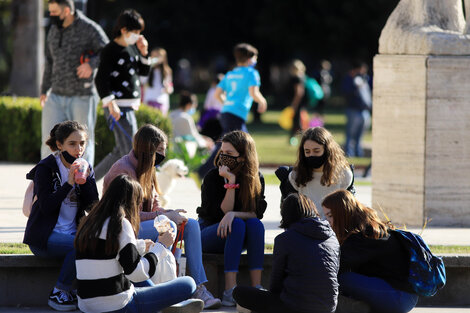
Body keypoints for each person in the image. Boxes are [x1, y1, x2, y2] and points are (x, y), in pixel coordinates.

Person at [103, 124, 221, 309]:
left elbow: (155, 203)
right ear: (146, 148)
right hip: (122, 230)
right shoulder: (123, 169)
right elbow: (127, 215)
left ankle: (199, 288)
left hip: (142, 225)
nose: (162, 156)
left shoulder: (148, 166)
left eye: (163, 151)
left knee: (190, 225)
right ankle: (167, 286)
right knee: (169, 225)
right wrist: (164, 217)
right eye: (158, 150)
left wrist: (169, 213)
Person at [74, 174, 203, 313]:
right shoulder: (120, 224)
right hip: (119, 306)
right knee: (188, 283)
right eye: (138, 203)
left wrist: (141, 245)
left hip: (86, 307)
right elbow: (136, 273)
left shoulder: (88, 223)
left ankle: (163, 305)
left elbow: (111, 250)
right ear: (131, 202)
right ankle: (165, 306)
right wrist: (161, 246)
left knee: (139, 284)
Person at [23, 121, 99, 311]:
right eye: (72, 144)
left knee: (98, 243)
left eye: (82, 143)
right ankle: (59, 292)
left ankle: (87, 293)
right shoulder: (45, 169)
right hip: (44, 237)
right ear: (59, 145)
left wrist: (87, 181)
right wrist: (68, 184)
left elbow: (93, 207)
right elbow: (46, 207)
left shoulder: (85, 166)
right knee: (80, 244)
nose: (78, 149)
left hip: (72, 233)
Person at [233, 193, 340, 313]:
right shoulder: (332, 237)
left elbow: (276, 284)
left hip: (294, 306)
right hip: (328, 307)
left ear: (287, 215)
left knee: (239, 292)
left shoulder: (284, 239)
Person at [197, 130, 267, 307]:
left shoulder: (255, 179)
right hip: (208, 234)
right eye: (222, 152)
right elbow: (221, 214)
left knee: (255, 225)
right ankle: (230, 290)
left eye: (229, 153)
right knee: (236, 224)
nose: (223, 156)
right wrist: (230, 183)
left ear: (243, 157)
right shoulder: (213, 177)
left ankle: (256, 287)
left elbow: (256, 213)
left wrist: (233, 214)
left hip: (236, 235)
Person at [321, 190, 419, 313]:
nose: (327, 221)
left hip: (399, 297)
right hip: (403, 295)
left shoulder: (363, 236)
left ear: (342, 213)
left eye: (330, 216)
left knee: (341, 278)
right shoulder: (369, 227)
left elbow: (336, 266)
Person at [40, 0, 109, 166]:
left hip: (83, 96)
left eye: (55, 12)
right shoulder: (54, 29)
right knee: (48, 142)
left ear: (67, 11)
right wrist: (44, 89)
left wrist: (91, 64)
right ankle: (48, 183)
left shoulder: (89, 28)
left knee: (83, 142)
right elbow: (50, 61)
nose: (51, 16)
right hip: (55, 95)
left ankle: (82, 184)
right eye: (50, 11)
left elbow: (108, 51)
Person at [93, 9, 151, 180]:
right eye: (135, 32)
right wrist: (111, 103)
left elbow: (143, 74)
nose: (138, 36)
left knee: (121, 151)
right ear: (124, 30)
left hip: (129, 106)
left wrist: (144, 53)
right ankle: (131, 186)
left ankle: (88, 180)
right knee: (131, 152)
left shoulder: (133, 49)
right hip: (118, 107)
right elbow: (100, 79)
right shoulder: (110, 50)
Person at [198, 43, 267, 178]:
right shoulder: (252, 73)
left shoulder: (230, 74)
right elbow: (254, 92)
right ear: (250, 59)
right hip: (236, 114)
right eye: (255, 58)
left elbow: (217, 93)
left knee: (231, 143)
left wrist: (228, 104)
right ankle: (250, 174)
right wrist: (262, 101)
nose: (256, 61)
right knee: (244, 144)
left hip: (226, 112)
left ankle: (206, 172)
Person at [276, 127, 353, 217]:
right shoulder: (295, 176)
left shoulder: (344, 174)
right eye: (307, 152)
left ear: (328, 150)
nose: (311, 155)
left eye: (317, 151)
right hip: (306, 226)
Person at [341, 61, 372, 157]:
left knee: (360, 134)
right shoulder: (349, 79)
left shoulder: (364, 79)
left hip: (364, 110)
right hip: (353, 109)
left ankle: (358, 152)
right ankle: (349, 153)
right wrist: (355, 88)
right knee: (350, 133)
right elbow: (345, 92)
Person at [142, 47, 174, 116]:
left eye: (158, 56)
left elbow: (170, 86)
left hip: (161, 101)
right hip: (150, 100)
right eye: (154, 56)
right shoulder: (148, 70)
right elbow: (143, 81)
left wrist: (168, 89)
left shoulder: (167, 71)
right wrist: (149, 66)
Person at [287, 59, 309, 145]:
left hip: (298, 103)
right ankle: (295, 139)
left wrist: (294, 104)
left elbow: (299, 93)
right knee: (298, 122)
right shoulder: (303, 76)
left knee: (298, 123)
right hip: (302, 103)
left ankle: (303, 139)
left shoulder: (296, 78)